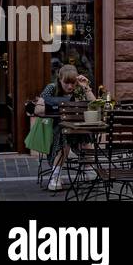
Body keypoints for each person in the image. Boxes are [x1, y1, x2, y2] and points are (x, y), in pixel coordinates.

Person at [33, 64, 95, 192]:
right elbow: (38, 110)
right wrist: (59, 106)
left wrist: (86, 88)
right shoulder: (51, 88)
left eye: (73, 83)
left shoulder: (80, 88)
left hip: (77, 127)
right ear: (59, 79)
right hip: (56, 127)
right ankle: (55, 176)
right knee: (64, 137)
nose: (70, 86)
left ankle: (88, 168)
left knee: (86, 135)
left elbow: (95, 106)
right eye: (66, 83)